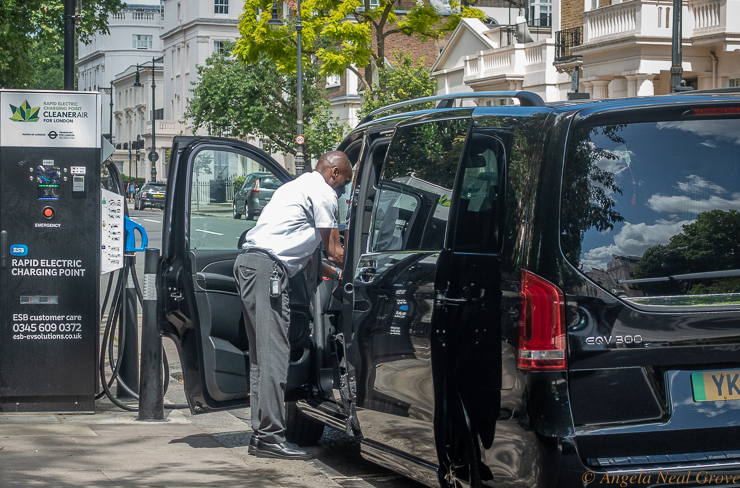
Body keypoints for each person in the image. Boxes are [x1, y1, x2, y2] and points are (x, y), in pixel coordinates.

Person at [233, 151, 351, 460]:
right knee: (274, 357)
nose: (343, 190)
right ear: (335, 174)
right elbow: (335, 249)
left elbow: (309, 255)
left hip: (252, 265)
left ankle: (263, 437)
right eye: (346, 182)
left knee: (263, 358)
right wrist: (357, 267)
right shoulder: (324, 193)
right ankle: (270, 438)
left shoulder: (295, 187)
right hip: (267, 271)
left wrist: (335, 273)